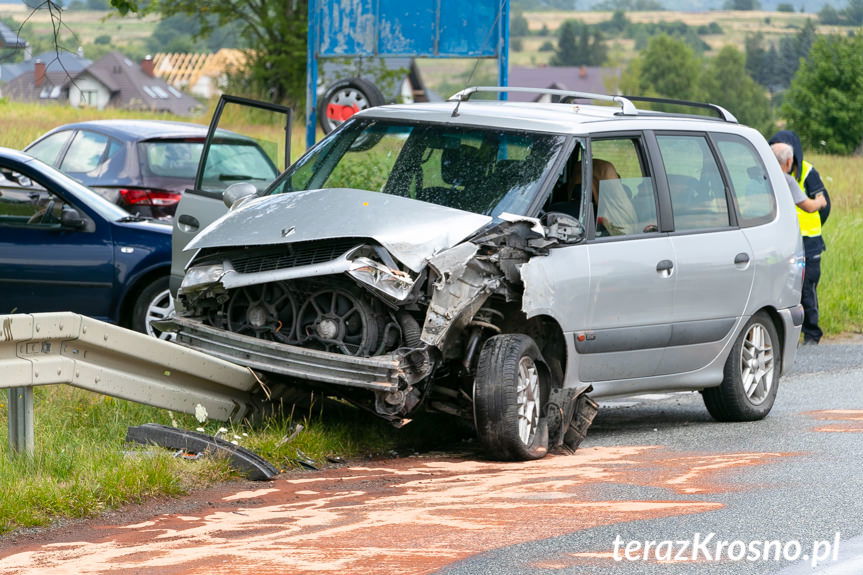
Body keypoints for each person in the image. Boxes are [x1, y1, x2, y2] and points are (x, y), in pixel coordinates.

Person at [769, 131, 829, 345]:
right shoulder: (778, 176)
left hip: (808, 242)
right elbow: (815, 205)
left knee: (806, 289)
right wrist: (820, 203)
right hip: (783, 243)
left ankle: (811, 334)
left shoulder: (807, 172)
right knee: (786, 289)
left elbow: (823, 209)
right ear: (788, 159)